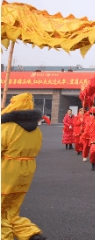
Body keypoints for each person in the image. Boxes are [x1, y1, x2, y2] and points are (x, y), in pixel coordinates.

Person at [1, 93, 48, 240]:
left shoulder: (7, 127)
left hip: (7, 170)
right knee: (12, 209)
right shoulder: (36, 131)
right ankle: (30, 233)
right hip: (27, 170)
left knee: (2, 209)